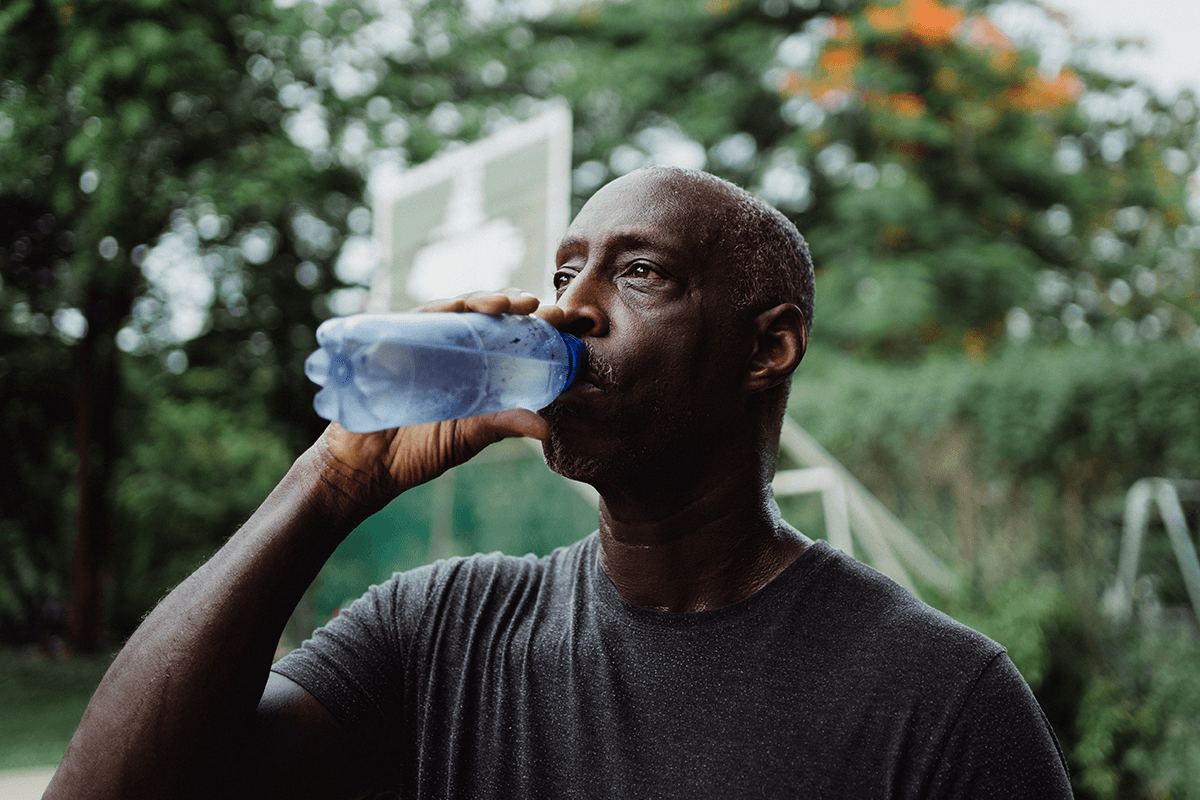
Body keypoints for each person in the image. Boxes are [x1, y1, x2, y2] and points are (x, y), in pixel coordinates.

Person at [46, 166, 1072, 799]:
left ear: (770, 347)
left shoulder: (939, 698)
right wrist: (331, 479)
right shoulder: (440, 630)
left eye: (638, 273)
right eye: (566, 268)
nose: (566, 307)